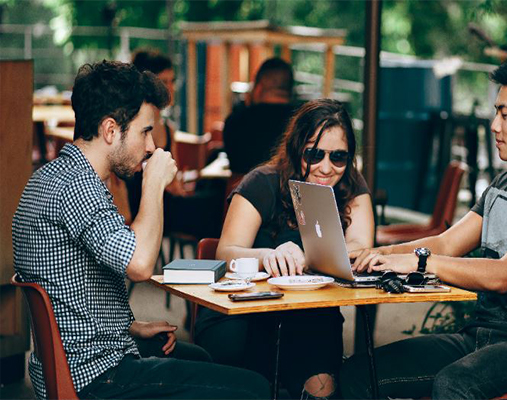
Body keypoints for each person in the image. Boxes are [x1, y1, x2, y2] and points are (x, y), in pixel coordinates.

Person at [12, 60, 270, 399]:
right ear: (110, 130)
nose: (150, 146)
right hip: (95, 378)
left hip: (76, 365)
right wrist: (154, 184)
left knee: (199, 357)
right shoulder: (77, 187)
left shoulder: (51, 177)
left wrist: (129, 328)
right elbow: (140, 265)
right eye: (145, 131)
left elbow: (69, 289)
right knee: (254, 388)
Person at [341, 59, 507, 399]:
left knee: (455, 383)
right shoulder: (503, 184)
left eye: (505, 114)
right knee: (358, 373)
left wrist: (419, 262)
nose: (494, 125)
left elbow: (503, 274)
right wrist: (379, 254)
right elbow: (447, 242)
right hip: (478, 336)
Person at [195, 99, 374, 399]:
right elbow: (225, 253)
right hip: (246, 313)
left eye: (339, 157)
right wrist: (268, 256)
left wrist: (316, 255)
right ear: (296, 148)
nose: (327, 168)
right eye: (314, 155)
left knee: (323, 385)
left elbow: (359, 247)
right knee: (249, 382)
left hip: (311, 316)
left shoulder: (351, 186)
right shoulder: (262, 182)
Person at [127, 49, 223, 239]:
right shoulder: (131, 127)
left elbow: (175, 180)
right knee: (217, 203)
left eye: (172, 81)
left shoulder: (168, 130)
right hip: (145, 204)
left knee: (217, 193)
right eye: (163, 82)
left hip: (168, 201)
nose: (169, 88)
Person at [223, 57, 296, 174]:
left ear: (258, 87)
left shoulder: (235, 121)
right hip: (286, 191)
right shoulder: (301, 122)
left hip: (242, 190)